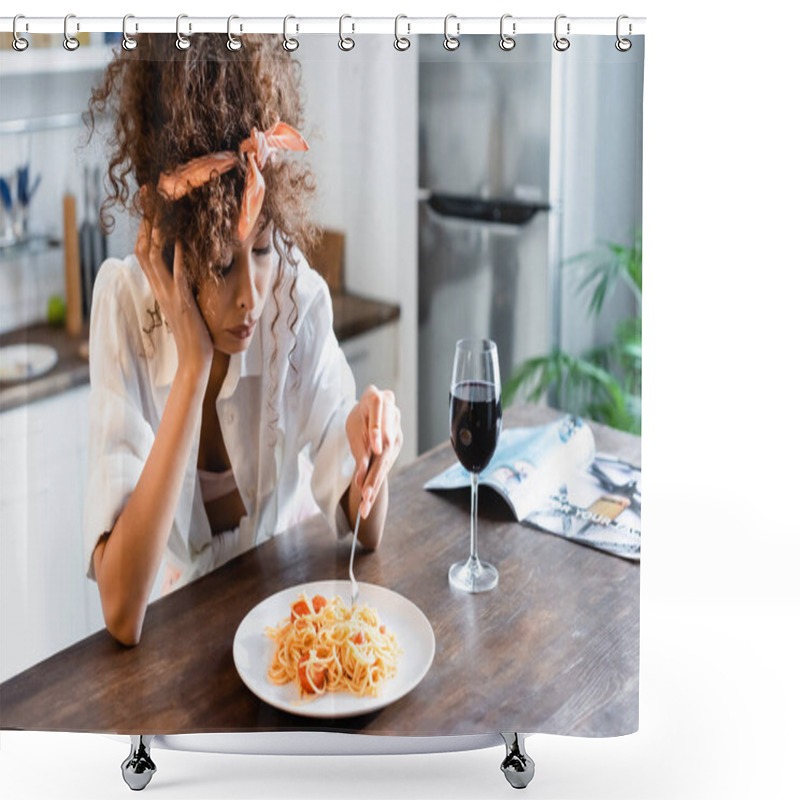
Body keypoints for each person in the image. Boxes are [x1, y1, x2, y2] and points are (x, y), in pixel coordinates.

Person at [82, 34, 402, 647]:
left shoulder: (294, 298)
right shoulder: (124, 308)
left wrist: (370, 452)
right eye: (224, 263)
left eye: (260, 252)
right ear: (171, 249)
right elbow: (122, 610)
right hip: (175, 645)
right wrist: (194, 368)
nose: (253, 294)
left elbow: (366, 530)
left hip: (285, 627)